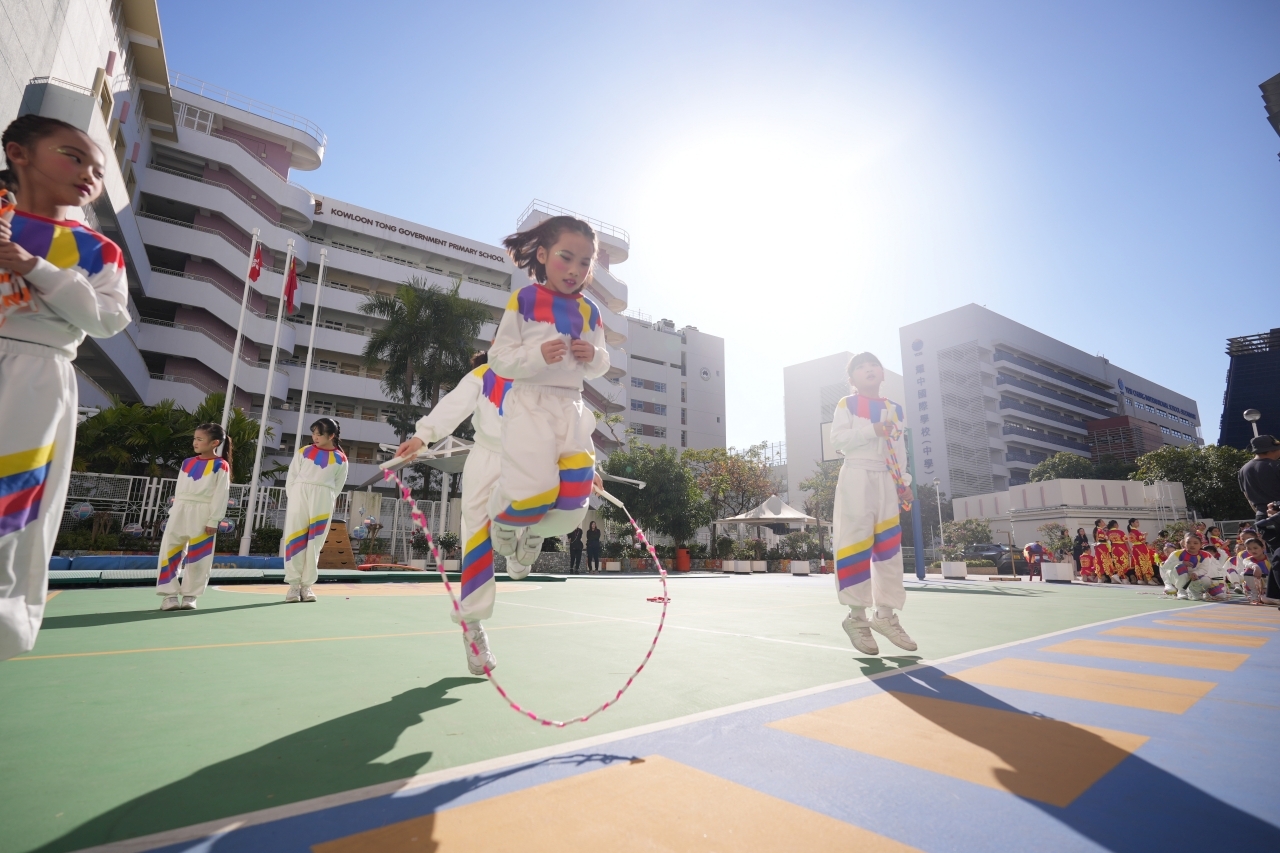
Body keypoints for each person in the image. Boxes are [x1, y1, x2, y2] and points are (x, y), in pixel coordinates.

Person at [0, 115, 130, 659]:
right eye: (72, 157)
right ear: (19, 153)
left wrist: (34, 267)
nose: (88, 175)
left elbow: (107, 318)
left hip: (35, 373)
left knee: (11, 508)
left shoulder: (96, 249)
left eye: (97, 170)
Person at [393, 351, 532, 675]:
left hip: (525, 458)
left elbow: (567, 420)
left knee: (525, 505)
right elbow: (453, 406)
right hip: (484, 459)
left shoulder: (542, 375)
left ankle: (518, 548)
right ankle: (473, 630)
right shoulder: (482, 376)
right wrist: (422, 436)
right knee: (475, 540)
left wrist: (587, 464)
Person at [486, 216, 609, 570]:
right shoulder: (524, 299)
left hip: (572, 406)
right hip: (530, 404)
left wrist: (593, 356)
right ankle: (505, 518)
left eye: (584, 262)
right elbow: (499, 359)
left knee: (573, 507)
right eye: (565, 257)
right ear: (542, 254)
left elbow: (601, 363)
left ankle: (534, 532)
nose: (574, 270)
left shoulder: (591, 311)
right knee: (535, 491)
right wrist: (536, 355)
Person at [829, 352, 916, 656]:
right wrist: (871, 430)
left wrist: (903, 482)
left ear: (882, 373)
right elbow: (837, 440)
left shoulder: (895, 409)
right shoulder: (847, 404)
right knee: (855, 543)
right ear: (851, 379)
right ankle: (856, 618)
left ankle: (885, 616)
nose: (868, 370)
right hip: (856, 474)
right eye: (861, 367)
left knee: (888, 548)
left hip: (886, 479)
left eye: (873, 366)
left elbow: (899, 449)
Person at [156, 424, 232, 611]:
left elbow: (221, 495)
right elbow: (179, 489)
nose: (195, 442)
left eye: (200, 439)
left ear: (214, 443)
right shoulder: (187, 462)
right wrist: (174, 510)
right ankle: (169, 596)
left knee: (200, 555)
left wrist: (214, 520)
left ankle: (190, 595)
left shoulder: (221, 465)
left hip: (203, 512)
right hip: (180, 509)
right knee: (170, 551)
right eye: (194, 438)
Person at [282, 418, 349, 603]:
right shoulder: (304, 451)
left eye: (319, 434)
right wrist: (294, 497)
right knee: (295, 539)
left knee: (314, 543)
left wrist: (326, 499)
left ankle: (307, 586)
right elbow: (292, 476)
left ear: (331, 436)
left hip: (324, 499)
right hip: (299, 495)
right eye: (313, 433)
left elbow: (338, 485)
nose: (315, 437)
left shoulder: (341, 458)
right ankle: (293, 586)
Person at [1159, 533, 1225, 601]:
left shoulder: (1205, 555)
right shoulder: (1177, 553)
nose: (1192, 545)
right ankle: (1182, 591)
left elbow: (1204, 569)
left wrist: (1195, 573)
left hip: (1193, 576)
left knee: (1206, 580)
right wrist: (1182, 563)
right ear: (1184, 544)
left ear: (1201, 545)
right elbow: (1166, 566)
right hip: (1176, 576)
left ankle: (1194, 591)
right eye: (1188, 543)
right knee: (1180, 567)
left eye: (1195, 543)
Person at [1127, 519, 1158, 585]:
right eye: (1137, 522)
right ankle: (1149, 579)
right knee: (1145, 562)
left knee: (1137, 563)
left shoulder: (1130, 532)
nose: (1138, 523)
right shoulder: (1136, 531)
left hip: (1135, 548)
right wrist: (1145, 535)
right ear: (1132, 523)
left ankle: (1140, 579)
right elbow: (1143, 540)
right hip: (1141, 548)